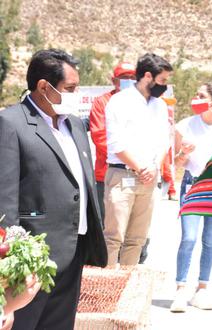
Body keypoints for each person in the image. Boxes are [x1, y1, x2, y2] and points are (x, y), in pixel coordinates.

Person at [0, 49, 108, 329]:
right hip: (33, 256)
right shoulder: (11, 123)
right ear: (44, 87)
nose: (76, 93)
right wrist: (11, 260)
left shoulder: (73, 123)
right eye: (70, 88)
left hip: (74, 248)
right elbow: (5, 197)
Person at [169, 82, 212, 312]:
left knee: (210, 240)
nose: (195, 98)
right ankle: (180, 289)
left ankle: (202, 288)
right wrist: (183, 154)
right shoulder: (184, 126)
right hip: (192, 184)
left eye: (201, 95)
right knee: (188, 238)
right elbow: (179, 164)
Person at [103, 53, 172, 266]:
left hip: (149, 179)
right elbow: (116, 144)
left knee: (137, 240)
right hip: (123, 175)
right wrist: (142, 168)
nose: (165, 86)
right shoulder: (120, 102)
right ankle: (105, 293)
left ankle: (126, 290)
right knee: (114, 238)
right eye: (162, 81)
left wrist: (153, 167)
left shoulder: (159, 105)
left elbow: (165, 140)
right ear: (148, 76)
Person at [89, 61, 136, 221]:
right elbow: (100, 136)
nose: (129, 80)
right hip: (108, 173)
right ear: (113, 79)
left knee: (134, 227)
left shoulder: (141, 102)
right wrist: (128, 159)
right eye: (124, 77)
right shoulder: (102, 102)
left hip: (138, 174)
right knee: (109, 226)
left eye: (132, 77)